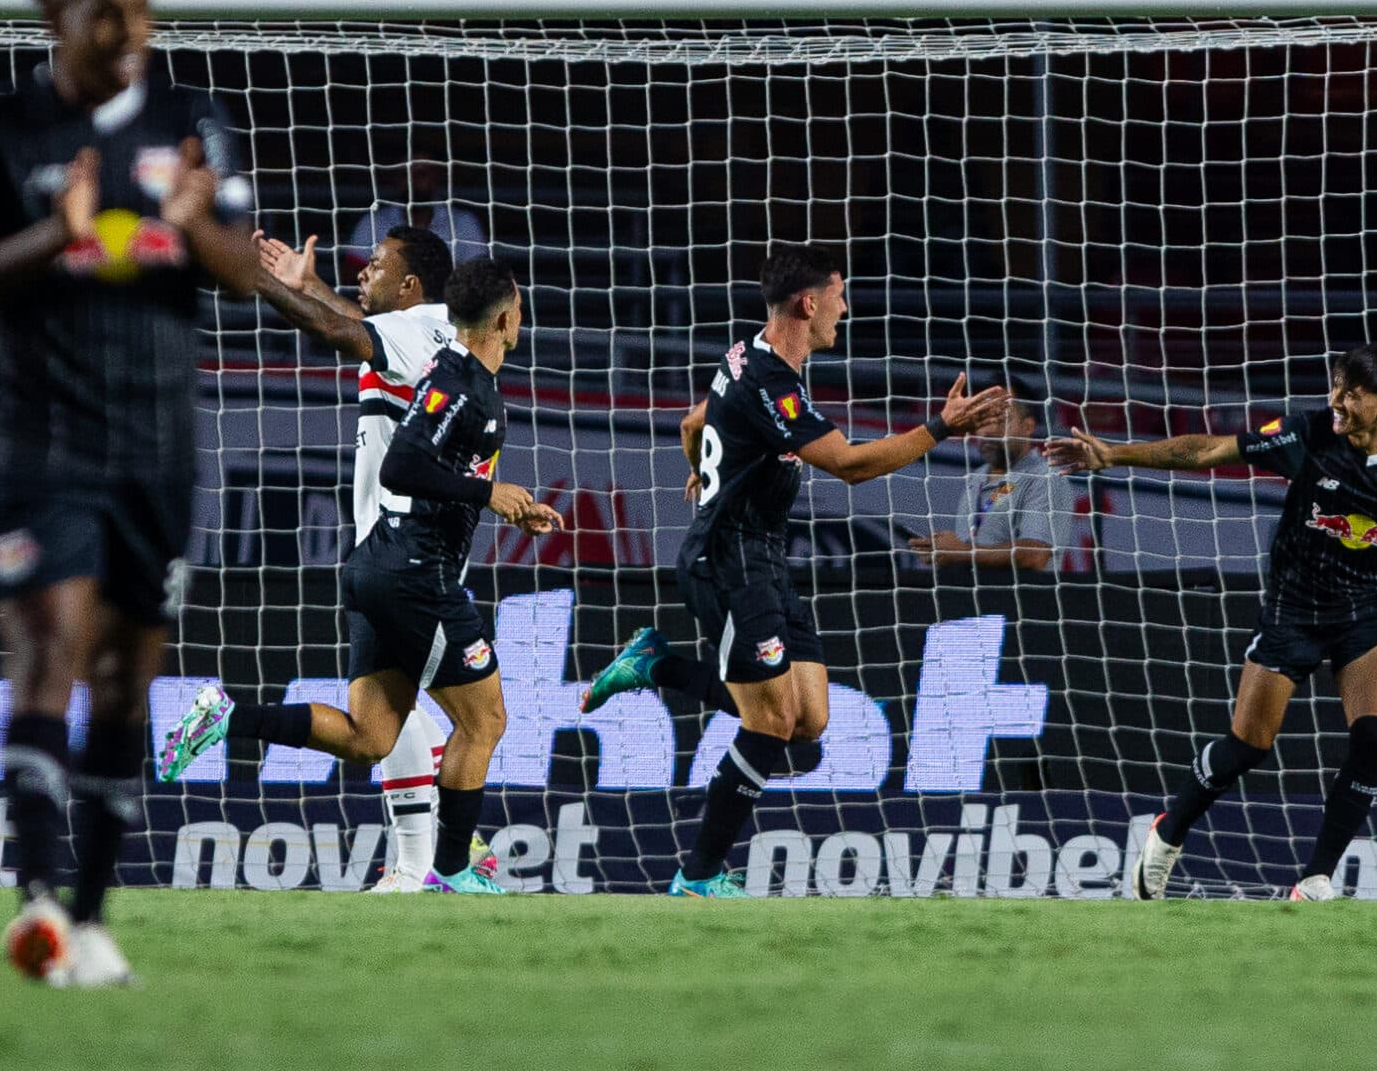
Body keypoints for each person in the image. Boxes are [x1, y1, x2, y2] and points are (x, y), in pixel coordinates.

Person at [0, 0, 260, 985]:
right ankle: (37, 905)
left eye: (140, 5)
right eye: (106, 9)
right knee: (47, 652)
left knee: (122, 683)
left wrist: (192, 222)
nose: (130, 28)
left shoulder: (191, 120)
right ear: (53, 12)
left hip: (158, 448)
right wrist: (54, 236)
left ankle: (92, 913)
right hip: (42, 443)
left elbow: (243, 274)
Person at [581, 244, 1010, 896]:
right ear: (809, 304)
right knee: (771, 723)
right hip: (727, 561)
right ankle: (697, 876)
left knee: (810, 719)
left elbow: (693, 422)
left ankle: (657, 665)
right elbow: (851, 466)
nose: (846, 307)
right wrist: (940, 427)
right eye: (839, 295)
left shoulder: (751, 354)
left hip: (765, 556)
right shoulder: (770, 382)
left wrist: (705, 472)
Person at [1046, 342, 1377, 901]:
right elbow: (1211, 449)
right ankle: (1169, 830)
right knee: (1247, 747)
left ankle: (1315, 876)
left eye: (1352, 393)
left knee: (1375, 736)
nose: (1337, 400)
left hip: (1365, 612)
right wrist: (1115, 455)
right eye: (1336, 385)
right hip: (1293, 610)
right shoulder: (1307, 433)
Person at [159, 259, 561, 894]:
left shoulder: (455, 372)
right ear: (507, 320)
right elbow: (402, 466)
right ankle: (452, 869)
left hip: (381, 566)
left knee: (369, 738)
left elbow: (372, 350)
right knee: (485, 722)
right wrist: (487, 494)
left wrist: (503, 502)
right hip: (417, 575)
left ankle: (226, 718)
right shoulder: (462, 385)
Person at [249, 222, 495, 890]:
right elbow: (357, 325)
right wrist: (312, 286)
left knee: (405, 726)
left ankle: (430, 864)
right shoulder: (427, 334)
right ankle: (438, 861)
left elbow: (338, 331)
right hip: (398, 558)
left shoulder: (422, 330)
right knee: (390, 726)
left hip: (404, 557)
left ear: (411, 284)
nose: (363, 270)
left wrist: (258, 280)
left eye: (377, 264)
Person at [909, 395, 1075, 573]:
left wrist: (962, 552)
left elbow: (1035, 556)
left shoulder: (1046, 477)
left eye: (1000, 421)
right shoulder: (976, 478)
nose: (987, 431)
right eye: (982, 422)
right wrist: (944, 552)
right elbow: (970, 552)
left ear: (1028, 426)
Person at [340, 154, 488, 282]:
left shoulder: (464, 222)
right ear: (396, 179)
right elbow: (352, 275)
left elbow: (479, 276)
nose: (412, 181)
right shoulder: (373, 222)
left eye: (421, 174)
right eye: (405, 174)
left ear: (437, 176)